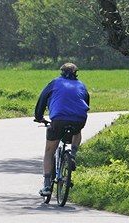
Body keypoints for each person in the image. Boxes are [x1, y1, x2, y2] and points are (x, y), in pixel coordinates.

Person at [34, 63, 90, 196]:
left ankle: (47, 186)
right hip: (79, 119)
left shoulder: (54, 83)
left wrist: (39, 117)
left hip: (58, 119)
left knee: (49, 152)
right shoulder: (81, 85)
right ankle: (73, 155)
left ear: (61, 72)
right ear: (76, 73)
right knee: (77, 131)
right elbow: (86, 102)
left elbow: (42, 99)